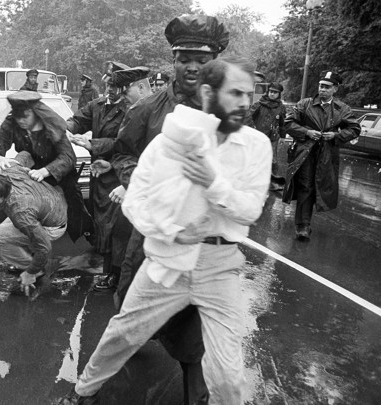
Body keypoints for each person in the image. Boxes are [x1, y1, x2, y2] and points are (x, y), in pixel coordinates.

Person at [61, 56, 272, 405]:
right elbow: (133, 203)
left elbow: (250, 210)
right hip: (166, 261)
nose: (246, 103)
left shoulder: (255, 146)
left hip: (220, 267)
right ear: (207, 93)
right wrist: (171, 230)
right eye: (235, 93)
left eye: (250, 94)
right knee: (125, 333)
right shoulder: (168, 142)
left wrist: (213, 183)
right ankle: (84, 390)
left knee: (228, 372)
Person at [105, 14, 231, 405]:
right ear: (172, 61)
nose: (192, 66)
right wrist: (135, 183)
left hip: (202, 234)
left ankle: (197, 394)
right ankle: (115, 361)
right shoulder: (147, 108)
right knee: (131, 303)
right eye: (183, 58)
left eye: (200, 58)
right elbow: (123, 153)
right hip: (153, 231)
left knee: (197, 320)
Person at [0, 90, 92, 244]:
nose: (21, 121)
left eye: (25, 116)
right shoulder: (12, 122)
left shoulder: (52, 126)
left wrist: (45, 171)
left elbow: (68, 157)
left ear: (35, 112)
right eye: (17, 116)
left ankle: (94, 240)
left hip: (58, 176)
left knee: (77, 214)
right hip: (28, 174)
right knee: (2, 216)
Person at [66, 66, 131, 292]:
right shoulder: (98, 105)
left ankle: (115, 274)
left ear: (124, 87)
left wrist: (91, 144)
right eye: (108, 86)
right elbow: (77, 119)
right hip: (97, 174)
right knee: (100, 222)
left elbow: (123, 143)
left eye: (115, 86)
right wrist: (65, 128)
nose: (111, 91)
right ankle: (107, 265)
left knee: (115, 227)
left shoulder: (129, 110)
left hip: (118, 173)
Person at [0, 152, 67, 296]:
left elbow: (45, 247)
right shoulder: (6, 170)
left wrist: (30, 272)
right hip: (50, 200)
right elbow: (26, 155)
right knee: (4, 226)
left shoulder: (21, 213)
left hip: (54, 224)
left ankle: (36, 270)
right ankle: (31, 253)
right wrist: (4, 159)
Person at [282, 71, 360, 240]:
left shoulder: (342, 109)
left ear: (335, 89)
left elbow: (354, 129)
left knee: (320, 188)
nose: (322, 90)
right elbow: (288, 123)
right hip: (305, 152)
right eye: (321, 86)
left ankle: (305, 223)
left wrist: (336, 136)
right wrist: (306, 132)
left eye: (327, 87)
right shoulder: (305, 104)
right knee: (305, 186)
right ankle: (302, 226)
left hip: (327, 155)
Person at [246, 82, 286, 191]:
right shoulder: (259, 104)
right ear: (268, 92)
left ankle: (272, 183)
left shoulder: (281, 107)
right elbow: (248, 117)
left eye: (275, 92)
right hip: (258, 137)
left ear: (279, 94)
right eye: (271, 91)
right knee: (255, 158)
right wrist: (252, 130)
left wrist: (282, 136)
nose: (272, 94)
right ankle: (253, 180)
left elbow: (282, 123)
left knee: (273, 160)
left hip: (273, 137)